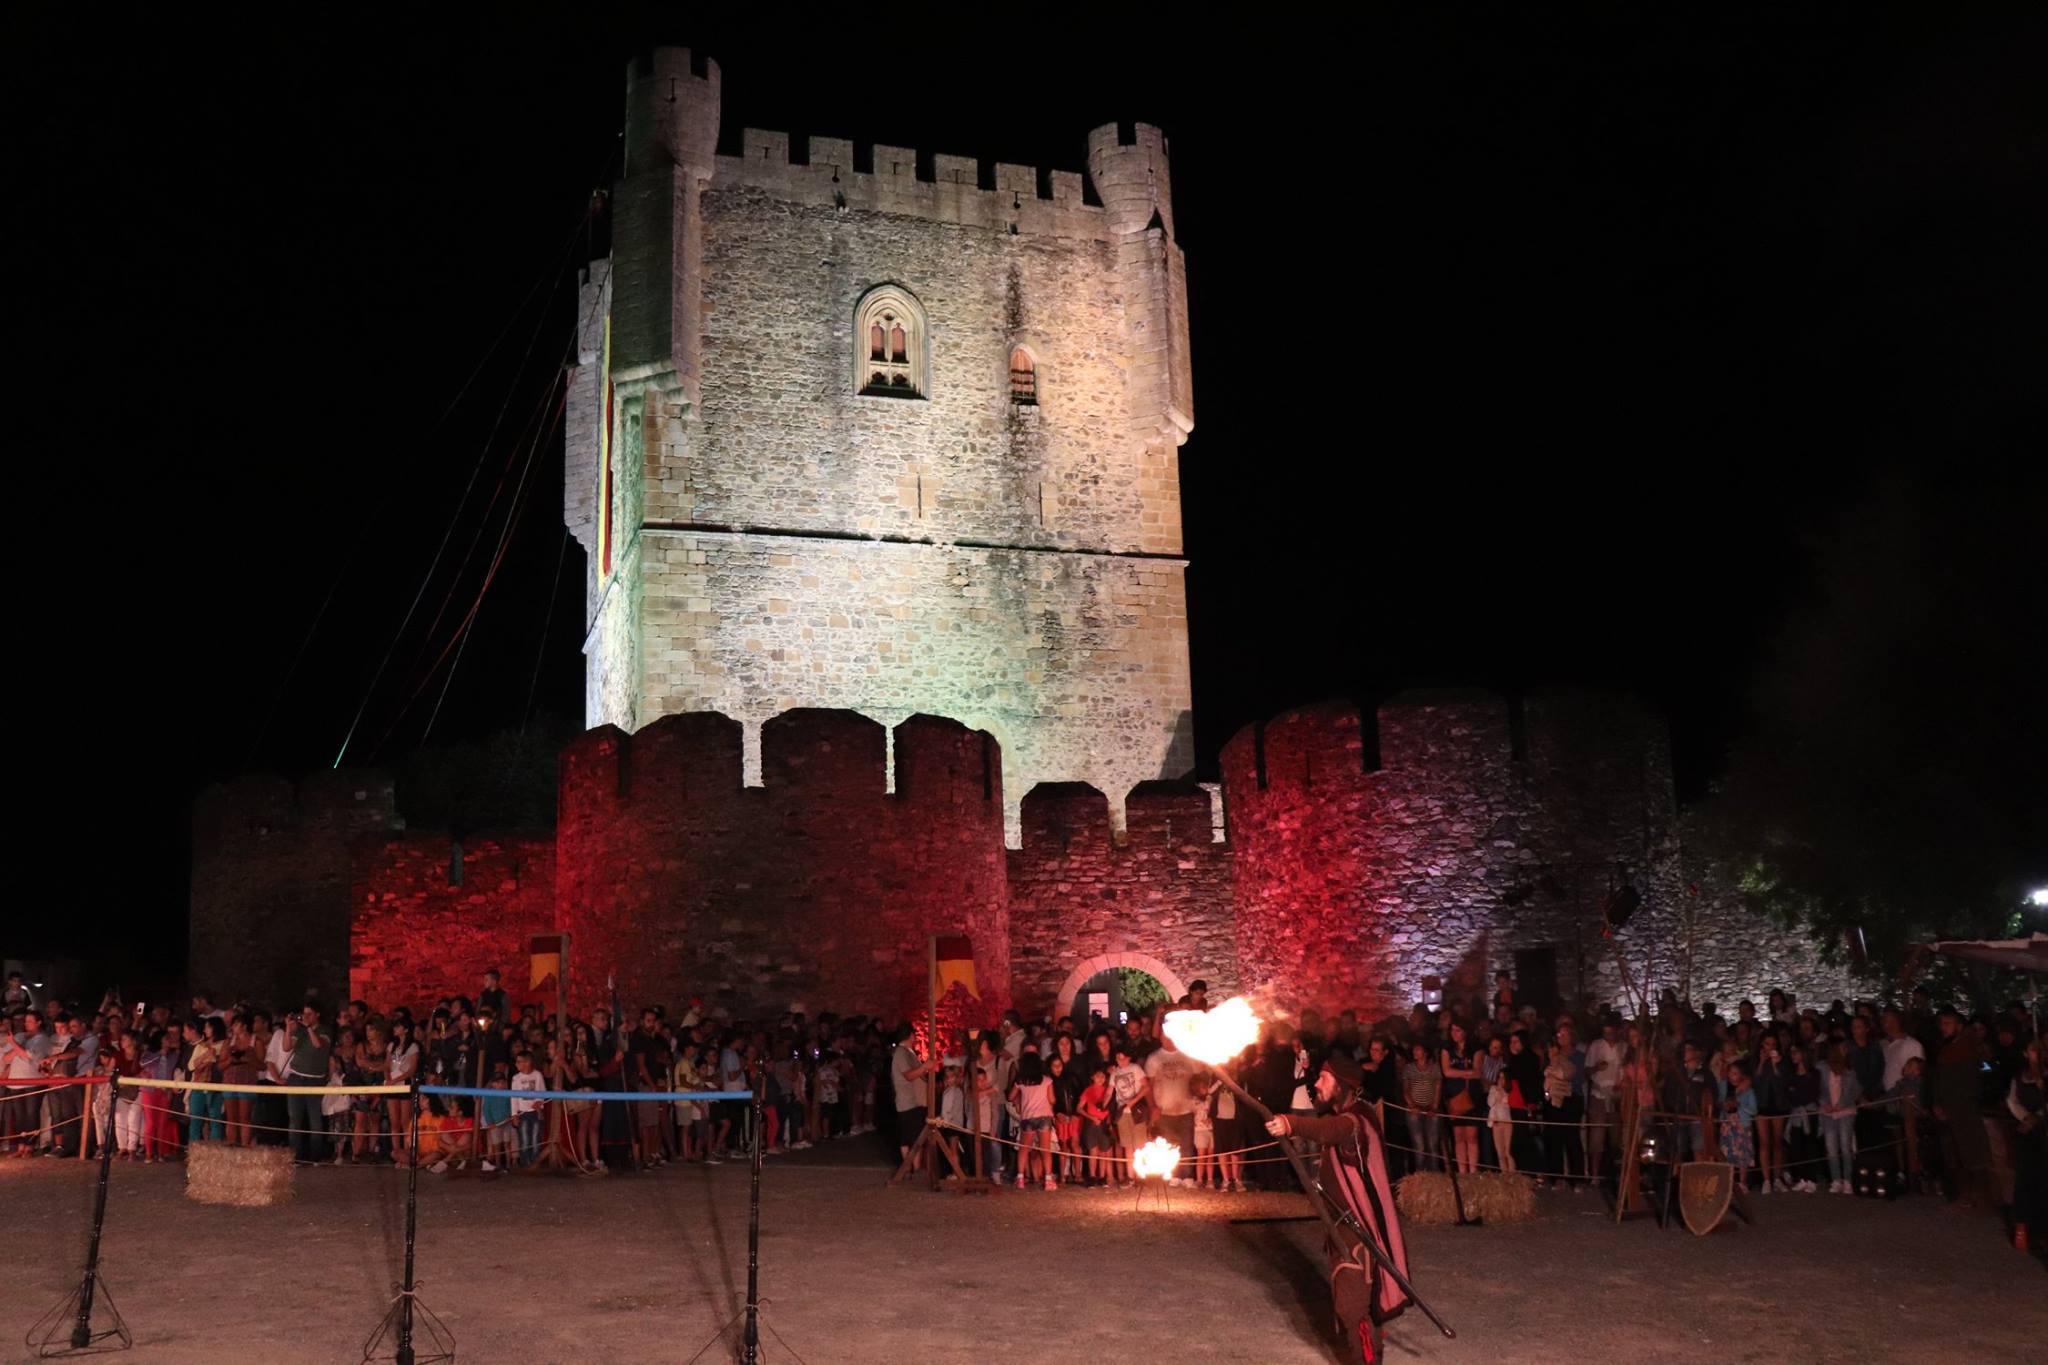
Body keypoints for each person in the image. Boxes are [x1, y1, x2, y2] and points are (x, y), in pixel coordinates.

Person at [1263, 1052, 1412, 1365]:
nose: (1316, 1084)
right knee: (1353, 1306)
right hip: (1344, 1227)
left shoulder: (1357, 1120)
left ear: (1342, 1085)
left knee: (1352, 1306)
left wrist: (1290, 1123)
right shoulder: (1349, 1115)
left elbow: (1330, 1130)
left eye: (1323, 1078)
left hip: (1360, 1231)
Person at [282, 1002, 334, 1164]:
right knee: (294, 1119)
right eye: (304, 1014)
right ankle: (295, 1157)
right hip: (296, 1077)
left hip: (315, 1079)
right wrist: (288, 1028)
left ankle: (315, 1157)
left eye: (309, 1014)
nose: (305, 1017)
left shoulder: (325, 1030)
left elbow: (318, 1044)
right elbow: (286, 1047)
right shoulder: (300, 1030)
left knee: (315, 1120)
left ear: (317, 1015)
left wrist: (309, 1028)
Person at [1817, 1041, 1863, 1193]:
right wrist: (1824, 1104)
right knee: (1831, 1147)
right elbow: (1817, 1089)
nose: (1845, 1051)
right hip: (1828, 1113)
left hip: (1846, 1112)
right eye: (1842, 1048)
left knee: (1845, 1146)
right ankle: (1836, 1179)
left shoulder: (1850, 1071)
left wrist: (1842, 1104)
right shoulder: (1822, 1068)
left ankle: (1848, 1180)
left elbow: (1856, 1092)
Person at [889, 1022, 934, 1171]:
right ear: (911, 1035)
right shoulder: (901, 1053)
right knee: (913, 1138)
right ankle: (911, 1169)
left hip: (914, 1101)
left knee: (911, 1137)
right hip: (909, 1102)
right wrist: (924, 1067)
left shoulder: (907, 1052)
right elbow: (908, 1075)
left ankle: (911, 1169)